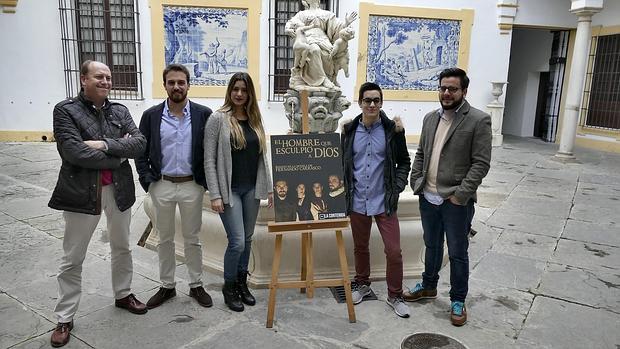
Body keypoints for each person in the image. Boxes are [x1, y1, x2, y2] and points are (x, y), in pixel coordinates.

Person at [48, 60, 147, 347]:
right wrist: (118, 152)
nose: (105, 81)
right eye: (98, 77)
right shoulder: (65, 110)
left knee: (122, 247)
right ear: (83, 80)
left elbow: (139, 144)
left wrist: (103, 145)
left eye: (108, 77)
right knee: (72, 257)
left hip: (119, 190)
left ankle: (123, 294)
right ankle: (64, 316)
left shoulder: (120, 110)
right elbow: (73, 152)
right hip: (81, 192)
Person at [406, 68, 492, 326]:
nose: (446, 93)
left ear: (464, 91)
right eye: (443, 88)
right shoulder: (431, 118)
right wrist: (416, 179)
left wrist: (460, 195)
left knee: (457, 252)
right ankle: (429, 286)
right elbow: (421, 152)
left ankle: (457, 299)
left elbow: (481, 163)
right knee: (431, 245)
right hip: (428, 197)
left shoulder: (478, 120)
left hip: (455, 202)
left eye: (452, 89)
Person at [135, 64, 213, 309]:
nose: (177, 86)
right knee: (164, 238)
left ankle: (196, 285)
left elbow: (210, 151)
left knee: (193, 238)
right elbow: (141, 150)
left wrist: (206, 183)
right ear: (165, 85)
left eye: (181, 82)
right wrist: (148, 181)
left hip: (192, 185)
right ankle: (167, 286)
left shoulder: (203, 114)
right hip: (162, 184)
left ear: (189, 85)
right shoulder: (151, 116)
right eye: (172, 82)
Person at [204, 72, 274, 312]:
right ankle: (229, 286)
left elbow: (262, 156)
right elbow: (209, 160)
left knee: (247, 238)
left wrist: (270, 188)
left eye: (244, 90)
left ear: (249, 93)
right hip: (229, 190)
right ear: (230, 91)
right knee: (236, 242)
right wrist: (215, 194)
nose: (240, 94)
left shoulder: (255, 118)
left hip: (251, 188)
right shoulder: (218, 119)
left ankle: (243, 284)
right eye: (236, 89)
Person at [341, 82, 411, 318]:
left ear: (381, 103)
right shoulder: (349, 131)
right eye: (367, 100)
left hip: (384, 201)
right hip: (358, 200)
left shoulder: (393, 131)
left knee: (394, 251)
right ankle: (362, 284)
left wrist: (397, 187)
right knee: (360, 247)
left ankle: (395, 295)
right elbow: (343, 163)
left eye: (376, 100)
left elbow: (404, 162)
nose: (372, 104)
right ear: (359, 102)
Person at [284, 0, 357, 90]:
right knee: (314, 50)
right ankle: (323, 79)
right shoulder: (302, 14)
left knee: (328, 54)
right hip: (307, 38)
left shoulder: (327, 14)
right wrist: (288, 29)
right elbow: (291, 23)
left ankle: (327, 77)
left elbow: (337, 28)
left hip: (323, 39)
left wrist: (346, 23)